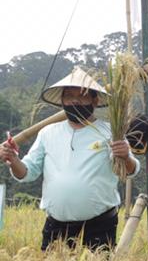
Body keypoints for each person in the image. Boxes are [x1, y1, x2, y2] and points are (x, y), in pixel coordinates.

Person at [0, 67, 138, 251]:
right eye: (69, 96)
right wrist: (13, 159)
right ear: (62, 101)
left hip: (99, 225)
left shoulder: (111, 132)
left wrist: (125, 156)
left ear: (94, 100)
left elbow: (130, 170)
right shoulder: (48, 133)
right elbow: (27, 172)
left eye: (81, 96)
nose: (74, 100)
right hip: (56, 226)